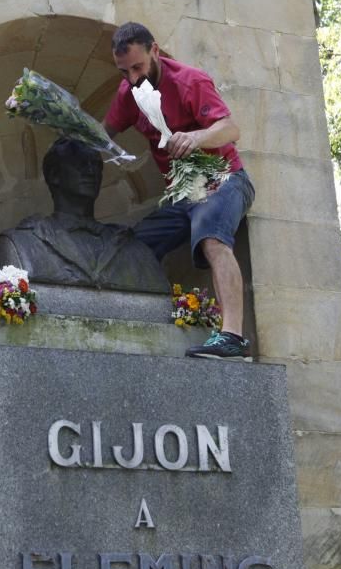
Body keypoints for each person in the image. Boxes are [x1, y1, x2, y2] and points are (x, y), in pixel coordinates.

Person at [103, 22, 256, 361]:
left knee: (212, 239)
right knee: (135, 247)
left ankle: (232, 336)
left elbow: (231, 128)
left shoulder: (189, 80)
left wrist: (196, 137)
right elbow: (103, 133)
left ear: (155, 50)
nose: (132, 78)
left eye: (138, 67)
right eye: (124, 71)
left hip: (225, 181)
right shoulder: (128, 93)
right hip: (183, 197)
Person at [0, 137, 170, 294]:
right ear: (54, 175)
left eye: (96, 165)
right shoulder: (21, 244)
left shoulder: (134, 250)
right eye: (80, 164)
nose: (91, 171)